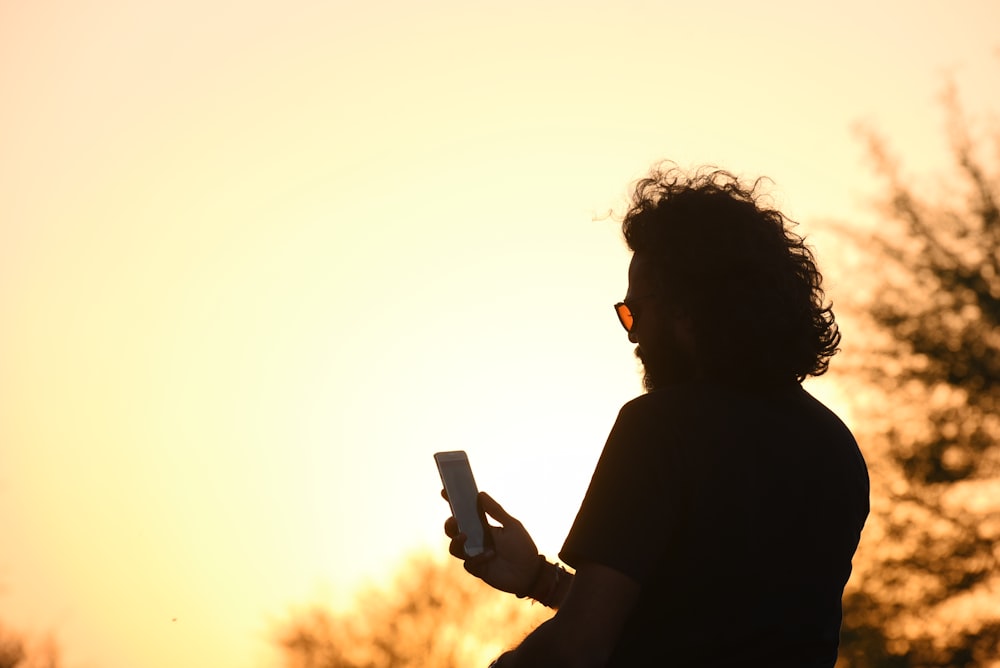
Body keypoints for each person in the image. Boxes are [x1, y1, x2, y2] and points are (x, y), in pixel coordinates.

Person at [443, 164, 870, 667]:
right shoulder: (835, 447)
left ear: (687, 310)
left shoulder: (661, 427)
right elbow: (703, 622)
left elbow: (579, 650)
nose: (631, 334)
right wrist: (541, 579)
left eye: (634, 312)